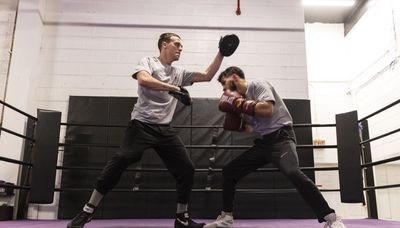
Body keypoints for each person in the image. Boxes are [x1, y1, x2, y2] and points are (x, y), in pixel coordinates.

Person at [66, 32, 239, 228]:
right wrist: (174, 89)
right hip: (141, 126)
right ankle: (88, 210)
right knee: (121, 160)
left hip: (164, 130)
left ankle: (181, 218)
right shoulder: (148, 62)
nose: (180, 48)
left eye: (181, 45)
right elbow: (143, 80)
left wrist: (221, 53)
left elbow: (207, 76)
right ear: (164, 45)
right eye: (176, 44)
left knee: (186, 169)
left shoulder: (178, 72)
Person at [204, 66, 346, 228]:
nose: (223, 89)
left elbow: (267, 110)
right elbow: (249, 128)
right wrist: (236, 124)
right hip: (265, 143)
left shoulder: (258, 85)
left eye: (225, 83)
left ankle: (331, 218)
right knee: (229, 171)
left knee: (293, 172)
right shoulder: (241, 101)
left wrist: (238, 104)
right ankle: (226, 218)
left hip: (281, 139)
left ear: (234, 77)